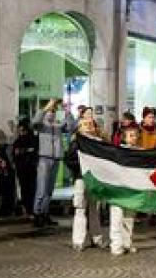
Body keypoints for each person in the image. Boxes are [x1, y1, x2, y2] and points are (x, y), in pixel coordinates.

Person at [31, 98, 76, 227]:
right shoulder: (41, 125)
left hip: (56, 159)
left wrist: (67, 111)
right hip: (44, 158)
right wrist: (45, 108)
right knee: (41, 189)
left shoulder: (58, 125)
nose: (52, 112)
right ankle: (37, 214)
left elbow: (72, 127)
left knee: (50, 190)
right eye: (50, 110)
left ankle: (44, 214)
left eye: (54, 110)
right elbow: (35, 121)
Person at [67, 118, 106, 251]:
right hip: (81, 179)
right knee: (80, 208)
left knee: (95, 209)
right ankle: (78, 240)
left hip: (95, 180)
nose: (89, 126)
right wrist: (82, 165)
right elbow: (69, 161)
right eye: (85, 124)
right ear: (79, 128)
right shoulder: (75, 143)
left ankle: (97, 238)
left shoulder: (99, 143)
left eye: (91, 124)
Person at [109, 122, 142, 255]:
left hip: (131, 189)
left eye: (135, 135)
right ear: (124, 137)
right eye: (131, 135)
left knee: (129, 218)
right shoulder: (116, 152)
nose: (133, 138)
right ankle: (116, 245)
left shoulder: (139, 152)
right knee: (116, 218)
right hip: (117, 189)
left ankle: (127, 243)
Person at [13, 119, 38, 217]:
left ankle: (31, 209)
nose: (22, 132)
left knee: (31, 189)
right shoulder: (19, 140)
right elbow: (16, 153)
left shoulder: (32, 139)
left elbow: (32, 151)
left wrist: (23, 151)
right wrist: (27, 150)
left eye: (23, 130)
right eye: (20, 130)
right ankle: (28, 209)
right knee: (25, 189)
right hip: (22, 168)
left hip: (30, 168)